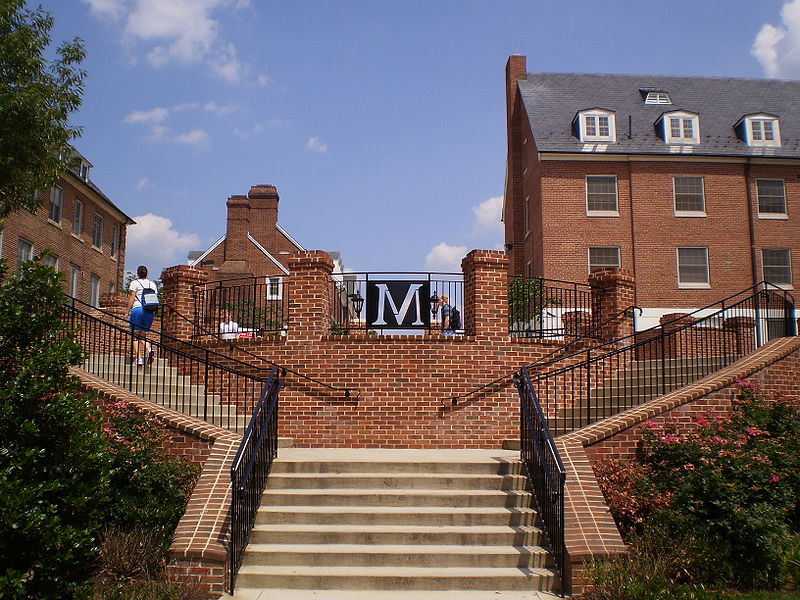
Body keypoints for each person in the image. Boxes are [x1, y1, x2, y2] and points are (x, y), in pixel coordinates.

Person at [128, 265, 156, 367]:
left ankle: (139, 359)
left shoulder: (134, 283)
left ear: (137, 273)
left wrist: (127, 311)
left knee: (135, 337)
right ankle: (149, 349)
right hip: (149, 311)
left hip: (138, 309)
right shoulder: (152, 284)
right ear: (147, 273)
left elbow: (132, 297)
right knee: (143, 335)